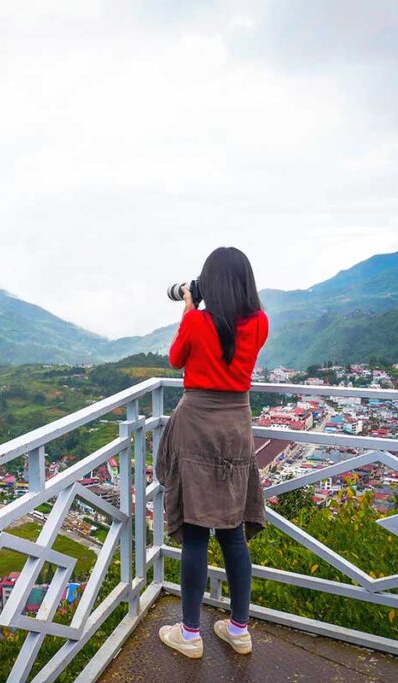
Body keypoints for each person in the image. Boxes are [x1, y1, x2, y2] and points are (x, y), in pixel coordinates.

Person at [155, 246, 269, 659]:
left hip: (198, 423)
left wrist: (189, 307)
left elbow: (174, 359)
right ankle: (239, 629)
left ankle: (189, 635)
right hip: (237, 424)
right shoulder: (260, 322)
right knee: (234, 533)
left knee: (196, 534)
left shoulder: (199, 321)